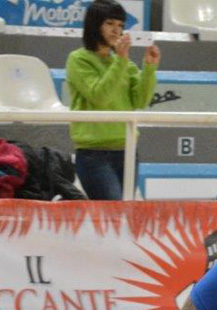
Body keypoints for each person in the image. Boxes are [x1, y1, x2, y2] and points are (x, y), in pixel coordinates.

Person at [66, 0, 160, 200]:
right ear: (94, 25)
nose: (116, 30)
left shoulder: (125, 63)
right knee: (114, 211)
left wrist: (149, 68)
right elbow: (99, 96)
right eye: (109, 23)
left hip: (127, 149)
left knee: (123, 213)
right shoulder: (78, 59)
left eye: (120, 25)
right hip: (94, 153)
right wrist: (120, 60)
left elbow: (140, 101)